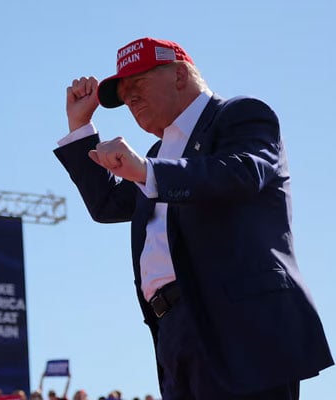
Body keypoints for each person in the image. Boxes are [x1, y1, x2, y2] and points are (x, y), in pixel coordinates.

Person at [55, 36, 333, 399]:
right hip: (174, 333)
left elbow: (243, 173)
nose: (130, 99)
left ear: (180, 76)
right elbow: (108, 204)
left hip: (240, 327)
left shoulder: (240, 115)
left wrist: (148, 172)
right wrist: (80, 128)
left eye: (138, 84)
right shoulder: (158, 154)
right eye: (124, 94)